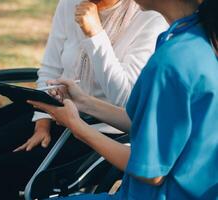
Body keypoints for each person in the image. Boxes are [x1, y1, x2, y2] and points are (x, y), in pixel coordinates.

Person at [0, 0, 168, 199]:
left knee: (3, 170)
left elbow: (125, 98)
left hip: (103, 129)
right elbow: (49, 69)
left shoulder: (149, 16)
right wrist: (42, 122)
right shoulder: (70, 4)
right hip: (53, 111)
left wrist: (95, 35)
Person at [28, 0, 218, 199]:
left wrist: (77, 126)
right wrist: (85, 102)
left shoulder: (172, 61)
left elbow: (152, 173)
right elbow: (151, 122)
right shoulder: (199, 37)